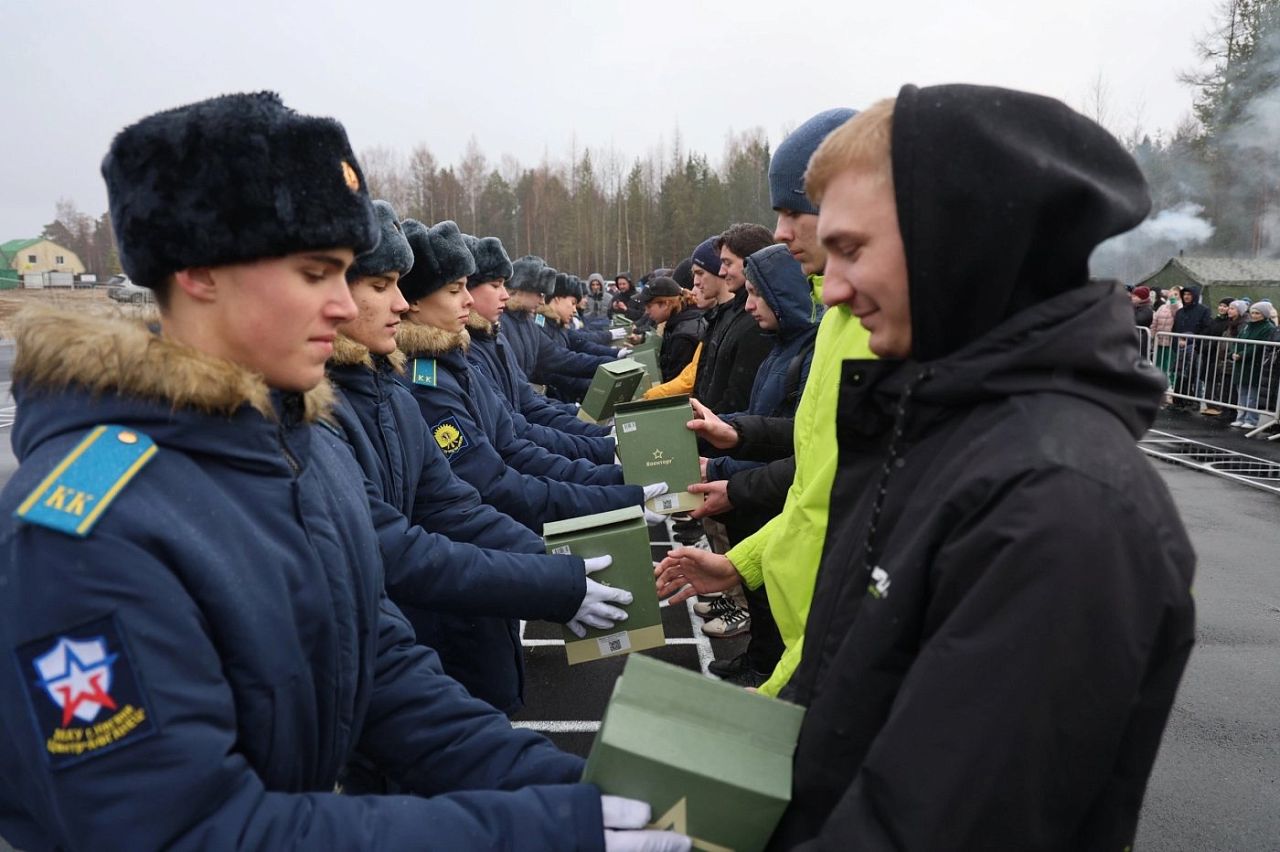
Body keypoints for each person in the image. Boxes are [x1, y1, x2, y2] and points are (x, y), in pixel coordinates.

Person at [0, 92, 686, 851]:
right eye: (315, 272)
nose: (343, 305)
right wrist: (530, 832)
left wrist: (566, 791)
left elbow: (377, 662)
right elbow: (173, 831)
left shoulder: (299, 439)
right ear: (198, 272)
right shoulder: (81, 530)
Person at [736, 86, 1192, 849]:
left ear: (957, 241)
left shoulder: (1059, 506)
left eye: (853, 251)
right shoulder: (939, 424)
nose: (835, 290)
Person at [327, 204, 629, 716]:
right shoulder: (412, 386)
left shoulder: (397, 388)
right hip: (426, 629)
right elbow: (411, 538)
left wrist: (551, 564)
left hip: (451, 612)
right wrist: (552, 572)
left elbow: (457, 500)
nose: (397, 303)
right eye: (382, 286)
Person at [655, 108, 876, 697]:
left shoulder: (883, 333)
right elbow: (814, 486)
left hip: (843, 648)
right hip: (811, 631)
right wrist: (740, 563)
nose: (779, 231)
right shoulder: (839, 326)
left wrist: (735, 465)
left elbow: (845, 508)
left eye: (791, 210)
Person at [392, 219, 659, 531]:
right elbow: (488, 482)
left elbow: (518, 426)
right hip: (499, 527)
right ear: (413, 301)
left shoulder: (472, 348)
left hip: (510, 518)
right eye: (457, 289)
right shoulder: (432, 374)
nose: (505, 295)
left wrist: (603, 453)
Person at [690, 224, 777, 414]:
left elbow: (739, 399)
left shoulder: (757, 322)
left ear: (752, 261)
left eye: (728, 263)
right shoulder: (730, 313)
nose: (721, 272)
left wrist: (706, 425)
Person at [635, 276, 706, 381]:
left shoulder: (682, 337)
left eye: (649, 306)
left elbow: (675, 381)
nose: (647, 312)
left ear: (666, 304)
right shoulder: (683, 322)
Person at [1231, 300, 1278, 429]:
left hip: (1254, 365)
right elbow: (1237, 340)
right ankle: (1240, 417)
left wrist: (1242, 354)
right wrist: (1234, 352)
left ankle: (1251, 419)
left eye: (1257, 313)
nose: (1254, 315)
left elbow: (1258, 347)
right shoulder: (1247, 326)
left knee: (1252, 395)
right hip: (1241, 365)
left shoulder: (1268, 328)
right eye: (1252, 312)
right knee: (1242, 394)